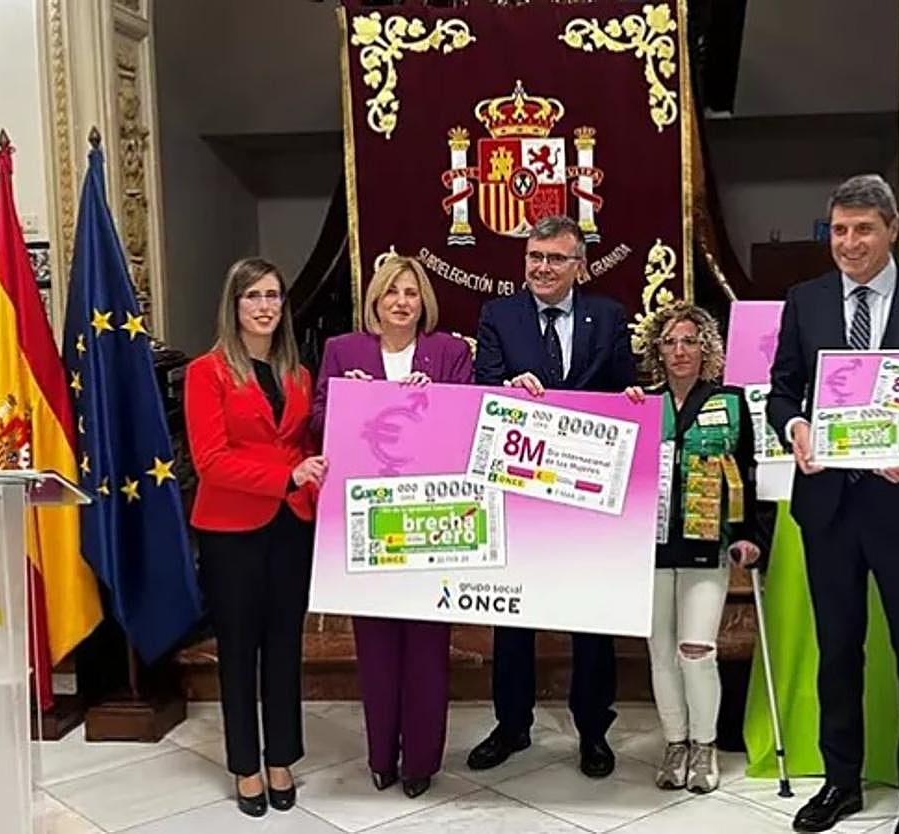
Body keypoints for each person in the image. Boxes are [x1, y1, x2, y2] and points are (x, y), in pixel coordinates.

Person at [766, 175, 899, 834]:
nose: (849, 243)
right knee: (837, 651)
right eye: (839, 231)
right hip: (828, 508)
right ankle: (841, 781)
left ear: (892, 230)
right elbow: (782, 391)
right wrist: (794, 428)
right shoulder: (805, 300)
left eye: (863, 230)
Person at [469, 214, 636, 778]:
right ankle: (512, 725)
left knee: (591, 618)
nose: (541, 268)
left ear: (578, 265)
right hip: (519, 494)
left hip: (587, 494)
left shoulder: (609, 316)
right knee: (512, 618)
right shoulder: (500, 316)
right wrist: (504, 388)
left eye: (554, 259)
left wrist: (634, 395)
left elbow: (623, 388)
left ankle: (593, 731)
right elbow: (478, 391)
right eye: (534, 258)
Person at [310, 255, 472, 799]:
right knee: (375, 648)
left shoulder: (450, 353)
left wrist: (442, 399)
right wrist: (344, 398)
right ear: (374, 302)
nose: (402, 301)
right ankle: (381, 756)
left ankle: (421, 761)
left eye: (411, 292)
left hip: (432, 520)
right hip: (368, 521)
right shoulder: (344, 350)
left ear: (423, 301)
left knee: (427, 649)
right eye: (391, 292)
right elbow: (315, 421)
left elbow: (471, 423)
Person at [184, 257, 327, 818]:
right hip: (230, 531)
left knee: (285, 647)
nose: (266, 306)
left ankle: (282, 758)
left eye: (273, 295)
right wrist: (284, 476)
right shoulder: (208, 372)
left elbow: (300, 445)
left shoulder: (298, 372)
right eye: (253, 297)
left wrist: (306, 476)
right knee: (239, 652)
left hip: (289, 525)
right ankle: (246, 764)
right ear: (234, 305)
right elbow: (210, 461)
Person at [625, 302, 763, 794]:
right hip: (653, 545)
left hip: (708, 543)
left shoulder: (730, 401)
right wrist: (626, 411)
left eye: (689, 341)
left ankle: (705, 746)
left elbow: (746, 471)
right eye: (670, 342)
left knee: (696, 650)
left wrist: (749, 533)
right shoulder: (643, 403)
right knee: (660, 650)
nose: (679, 350)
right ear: (656, 351)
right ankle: (676, 742)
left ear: (706, 348)